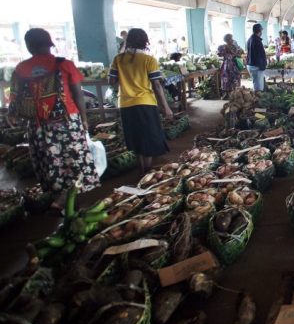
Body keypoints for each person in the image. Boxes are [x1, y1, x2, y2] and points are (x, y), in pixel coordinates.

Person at [8, 28, 99, 209]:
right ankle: (67, 203)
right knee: (75, 162)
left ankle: (60, 199)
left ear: (28, 46)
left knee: (51, 162)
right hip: (67, 122)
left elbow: (14, 97)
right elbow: (78, 95)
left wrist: (13, 115)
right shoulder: (64, 64)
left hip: (38, 126)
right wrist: (84, 119)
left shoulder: (21, 68)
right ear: (49, 43)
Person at [109, 28, 173, 174]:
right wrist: (166, 107)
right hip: (145, 103)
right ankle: (147, 169)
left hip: (125, 104)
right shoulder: (149, 60)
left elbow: (111, 81)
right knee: (148, 136)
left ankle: (141, 169)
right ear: (145, 41)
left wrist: (125, 82)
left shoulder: (118, 59)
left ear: (128, 41)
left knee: (135, 136)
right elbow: (156, 85)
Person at [217, 34, 244, 99]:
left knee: (227, 79)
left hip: (226, 65)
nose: (232, 40)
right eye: (231, 39)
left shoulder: (222, 47)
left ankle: (229, 94)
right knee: (232, 79)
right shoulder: (233, 47)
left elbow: (219, 54)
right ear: (228, 40)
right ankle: (232, 94)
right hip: (232, 65)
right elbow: (240, 53)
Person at [246, 23, 267, 92]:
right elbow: (259, 55)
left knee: (256, 83)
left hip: (251, 64)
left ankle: (257, 98)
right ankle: (258, 100)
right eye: (261, 31)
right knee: (259, 86)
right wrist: (263, 66)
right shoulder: (257, 40)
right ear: (259, 31)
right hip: (256, 65)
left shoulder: (250, 39)